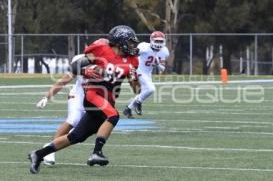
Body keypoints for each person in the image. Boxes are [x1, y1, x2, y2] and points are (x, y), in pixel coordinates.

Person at [28, 25, 139, 174]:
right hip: (93, 96)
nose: (132, 46)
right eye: (130, 42)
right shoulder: (102, 51)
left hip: (107, 100)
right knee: (113, 115)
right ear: (120, 42)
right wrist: (89, 71)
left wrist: (133, 77)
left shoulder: (131, 60)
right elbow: (75, 67)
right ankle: (96, 153)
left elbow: (137, 90)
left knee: (76, 137)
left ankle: (38, 154)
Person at [35, 38, 109, 166]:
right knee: (74, 120)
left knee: (96, 126)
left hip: (95, 98)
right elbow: (64, 80)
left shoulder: (111, 62)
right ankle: (49, 150)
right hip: (79, 96)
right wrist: (47, 96)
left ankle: (96, 154)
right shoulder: (82, 60)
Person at [123, 31, 169, 117]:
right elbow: (132, 54)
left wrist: (157, 63)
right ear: (151, 40)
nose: (159, 43)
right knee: (151, 89)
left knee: (145, 91)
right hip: (139, 70)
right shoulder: (144, 47)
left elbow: (162, 69)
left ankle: (128, 109)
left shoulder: (164, 51)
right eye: (157, 41)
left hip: (148, 73)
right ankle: (138, 103)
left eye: (160, 41)